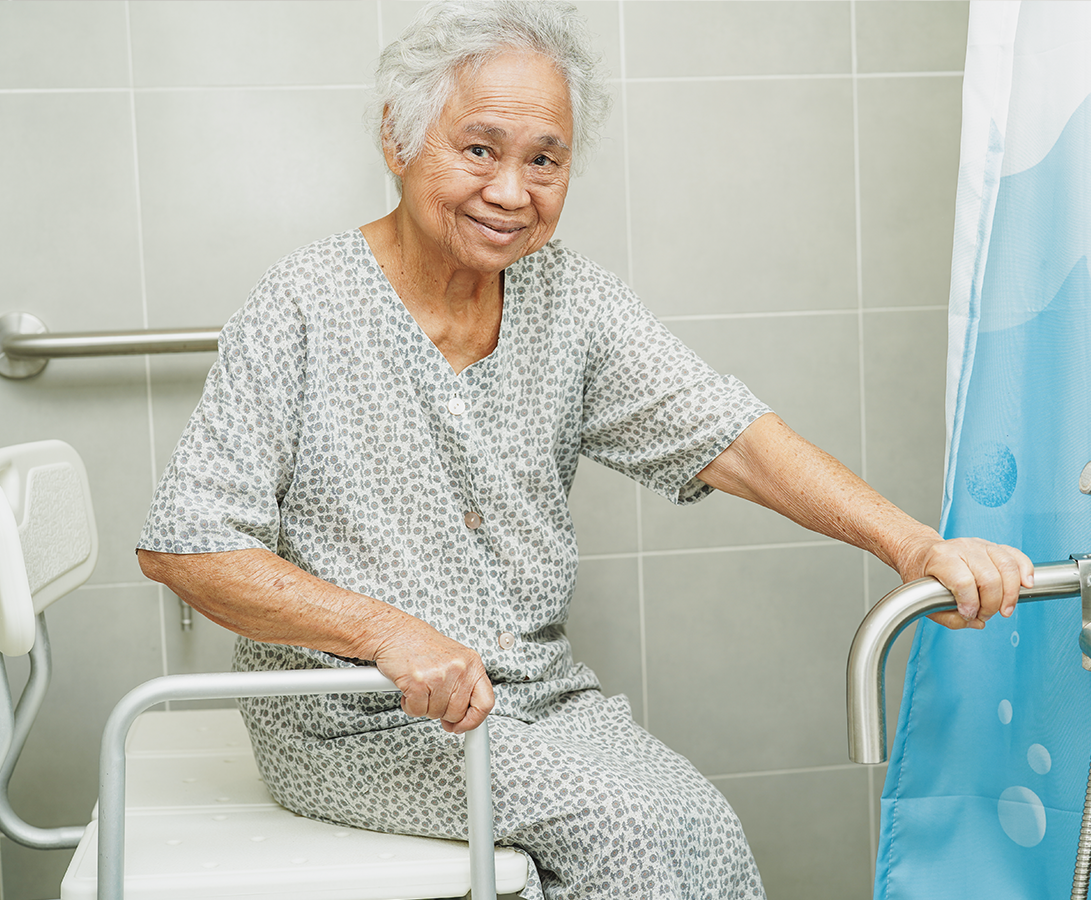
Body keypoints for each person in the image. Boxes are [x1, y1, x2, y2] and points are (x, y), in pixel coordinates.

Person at [137, 3, 1034, 898]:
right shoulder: (303, 304)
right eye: (479, 150)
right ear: (397, 140)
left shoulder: (571, 301)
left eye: (545, 160)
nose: (511, 192)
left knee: (700, 829)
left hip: (539, 701)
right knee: (634, 833)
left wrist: (914, 548)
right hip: (353, 723)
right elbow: (185, 545)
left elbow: (737, 440)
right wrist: (388, 634)